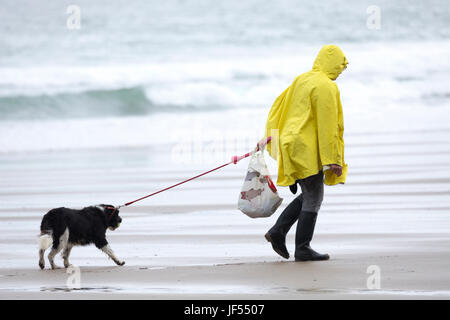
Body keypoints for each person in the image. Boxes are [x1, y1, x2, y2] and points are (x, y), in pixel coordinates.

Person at [259, 44, 348, 262]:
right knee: (315, 196)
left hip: (291, 145)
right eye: (340, 66)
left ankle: (279, 232)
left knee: (309, 193)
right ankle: (302, 248)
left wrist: (274, 137)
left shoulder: (302, 79)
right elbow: (328, 126)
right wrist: (332, 160)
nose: (341, 70)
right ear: (332, 63)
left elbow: (280, 108)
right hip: (307, 149)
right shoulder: (326, 87)